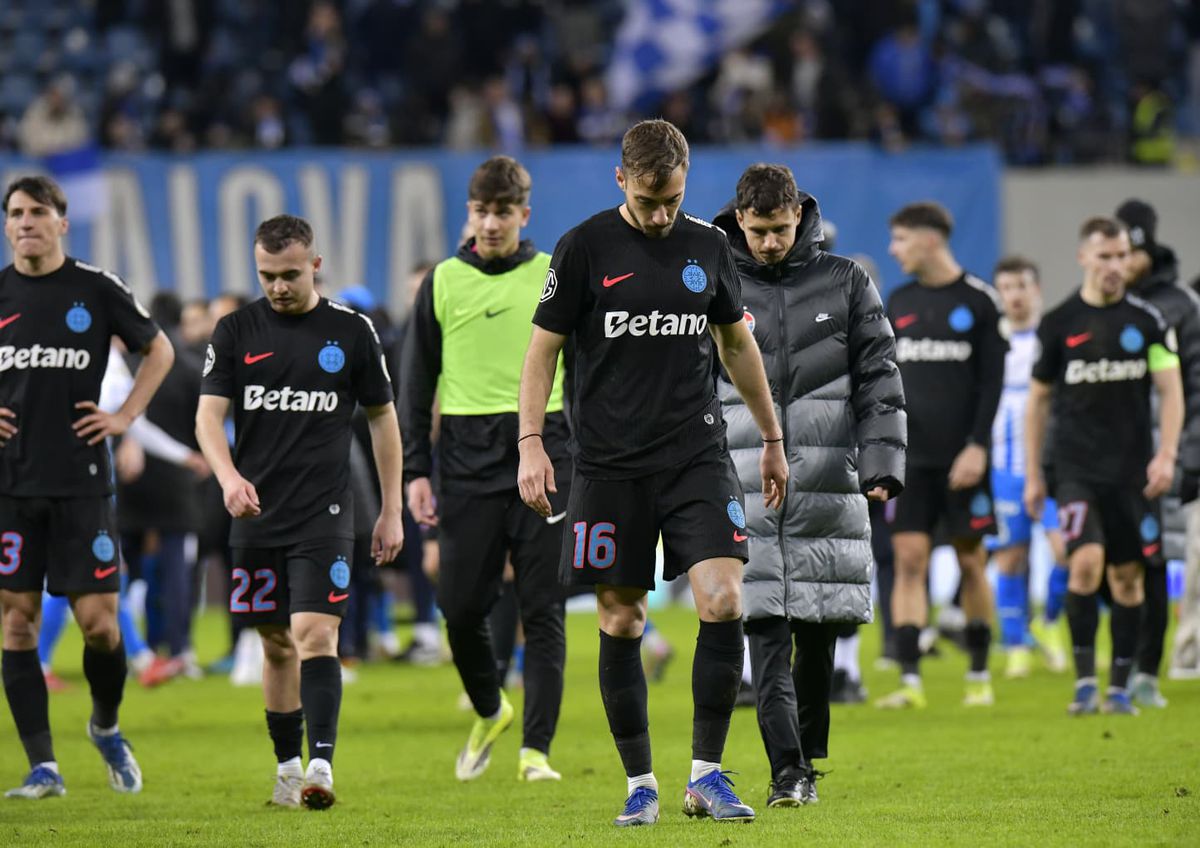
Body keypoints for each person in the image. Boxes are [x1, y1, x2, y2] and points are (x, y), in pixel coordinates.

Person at [518, 119, 789, 826]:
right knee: (622, 615)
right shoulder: (583, 248)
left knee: (724, 599)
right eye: (647, 201)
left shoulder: (709, 246)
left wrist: (771, 436)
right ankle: (641, 783)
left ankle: (707, 775)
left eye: (672, 199)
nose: (662, 214)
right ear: (620, 181)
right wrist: (530, 442)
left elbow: (736, 345)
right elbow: (542, 352)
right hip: (608, 464)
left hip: (695, 454)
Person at [712, 164, 905, 808]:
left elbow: (879, 376)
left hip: (828, 480)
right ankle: (788, 771)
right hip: (744, 481)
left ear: (800, 215)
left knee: (820, 632)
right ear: (740, 220)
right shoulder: (715, 281)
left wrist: (882, 463)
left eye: (781, 229)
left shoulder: (848, 281)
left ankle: (805, 757)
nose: (770, 242)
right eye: (759, 231)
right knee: (764, 628)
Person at [195, 215, 403, 809]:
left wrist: (390, 508)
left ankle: (321, 766)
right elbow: (208, 417)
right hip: (255, 514)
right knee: (275, 643)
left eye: (290, 274)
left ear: (315, 265)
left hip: (325, 511)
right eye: (267, 275)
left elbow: (383, 419)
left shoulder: (351, 331)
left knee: (315, 633)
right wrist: (229, 478)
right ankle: (287, 768)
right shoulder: (235, 330)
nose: (279, 286)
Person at [0, 175, 174, 798]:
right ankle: (43, 766)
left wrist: (125, 418)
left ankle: (105, 725)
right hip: (11, 485)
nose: (25, 222)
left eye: (37, 212)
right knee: (16, 621)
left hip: (83, 482)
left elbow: (159, 351)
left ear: (62, 223)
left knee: (101, 626)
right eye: (15, 213)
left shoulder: (96, 289)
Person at [400, 155, 569, 783]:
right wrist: (416, 471)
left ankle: (536, 752)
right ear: (469, 214)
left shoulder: (554, 275)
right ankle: (491, 709)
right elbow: (416, 384)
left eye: (503, 212)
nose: (491, 223)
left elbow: (583, 369)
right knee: (458, 607)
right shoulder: (442, 281)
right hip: (465, 459)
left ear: (524, 215)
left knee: (542, 609)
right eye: (480, 211)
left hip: (544, 450)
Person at [1024, 216, 1183, 716]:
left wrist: (1166, 454)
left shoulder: (1148, 321)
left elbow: (1171, 390)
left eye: (1122, 256)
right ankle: (1084, 684)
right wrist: (1034, 473)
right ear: (1083, 258)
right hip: (1075, 470)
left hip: (1133, 474)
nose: (1116, 265)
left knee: (1128, 577)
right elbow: (1037, 402)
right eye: (1105, 256)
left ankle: (1118, 688)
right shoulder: (1059, 323)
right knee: (1085, 563)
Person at [878, 201, 1007, 709]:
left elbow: (992, 385)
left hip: (963, 461)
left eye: (901, 239)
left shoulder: (980, 301)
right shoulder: (899, 301)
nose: (894, 250)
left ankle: (979, 674)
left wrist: (978, 446)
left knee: (971, 561)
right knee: (909, 561)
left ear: (930, 239)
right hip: (911, 461)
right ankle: (910, 680)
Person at [1113, 199, 1200, 705]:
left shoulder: (1182, 306)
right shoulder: (1102, 307)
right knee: (1119, 566)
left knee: (1168, 560)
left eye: (1129, 252)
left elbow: (1194, 388)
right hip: (1113, 460)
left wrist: (1185, 455)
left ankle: (1171, 660)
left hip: (1170, 457)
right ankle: (1130, 666)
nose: (1121, 263)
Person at [986, 257, 1070, 678]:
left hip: (1054, 466)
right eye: (1006, 287)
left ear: (1037, 289)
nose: (1014, 295)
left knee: (1067, 550)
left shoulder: (1053, 338)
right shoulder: (991, 342)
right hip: (1005, 467)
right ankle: (1016, 645)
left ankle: (1049, 621)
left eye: (1021, 285)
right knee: (1011, 557)